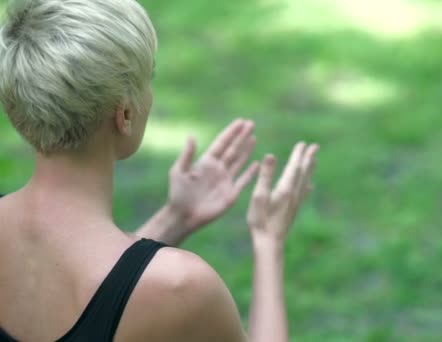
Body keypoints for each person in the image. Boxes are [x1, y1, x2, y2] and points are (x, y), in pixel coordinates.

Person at [0, 0, 319, 341]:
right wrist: (268, 240)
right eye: (147, 78)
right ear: (124, 115)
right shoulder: (180, 287)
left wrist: (176, 218)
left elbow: (106, 295)